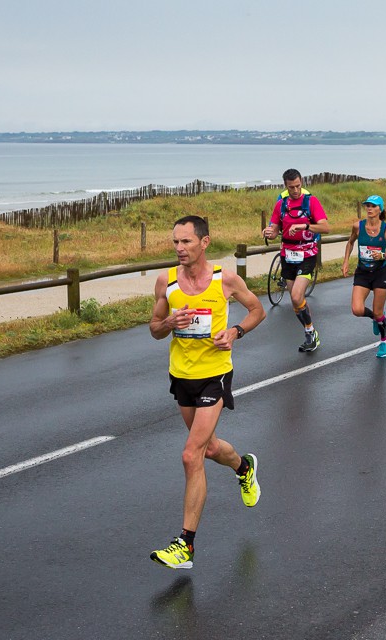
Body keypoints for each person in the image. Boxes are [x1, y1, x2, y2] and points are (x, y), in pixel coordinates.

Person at [148, 215, 266, 570]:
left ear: (204, 242)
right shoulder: (166, 282)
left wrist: (235, 332)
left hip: (215, 374)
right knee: (210, 448)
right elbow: (154, 329)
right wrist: (168, 323)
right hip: (181, 375)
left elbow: (257, 310)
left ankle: (185, 545)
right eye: (175, 243)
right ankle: (244, 466)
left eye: (186, 242)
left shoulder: (224, 279)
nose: (179, 249)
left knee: (190, 454)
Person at [262, 169, 332, 353]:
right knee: (296, 302)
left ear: (302, 183)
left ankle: (310, 333)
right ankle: (310, 331)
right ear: (285, 186)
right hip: (287, 255)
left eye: (298, 186)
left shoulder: (311, 201)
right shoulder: (281, 204)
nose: (295, 190)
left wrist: (306, 225)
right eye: (291, 187)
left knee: (295, 296)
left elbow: (326, 227)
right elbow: (275, 229)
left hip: (307, 254)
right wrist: (269, 232)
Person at [341, 195, 386, 358]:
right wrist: (346, 261)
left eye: (373, 206)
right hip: (363, 273)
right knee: (357, 309)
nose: (369, 208)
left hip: (380, 273)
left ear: (380, 209)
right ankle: (375, 317)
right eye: (367, 205)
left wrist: (382, 255)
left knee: (379, 311)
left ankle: (384, 341)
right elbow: (350, 242)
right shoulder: (357, 226)